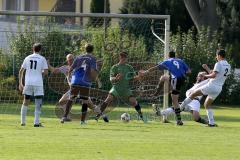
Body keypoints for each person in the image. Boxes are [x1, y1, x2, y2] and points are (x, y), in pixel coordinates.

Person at [180, 49, 231, 127]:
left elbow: (213, 75)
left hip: (212, 85)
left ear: (219, 56)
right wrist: (208, 70)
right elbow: (217, 74)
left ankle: (180, 107)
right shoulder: (228, 65)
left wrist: (205, 76)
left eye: (216, 55)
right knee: (207, 104)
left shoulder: (218, 63)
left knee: (193, 94)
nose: (216, 57)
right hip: (219, 88)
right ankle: (211, 123)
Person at [48, 53, 105, 122]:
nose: (71, 61)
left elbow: (91, 72)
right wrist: (48, 64)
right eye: (69, 60)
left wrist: (98, 80)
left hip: (81, 88)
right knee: (61, 101)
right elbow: (54, 70)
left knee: (90, 105)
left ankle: (102, 115)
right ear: (67, 61)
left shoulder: (80, 66)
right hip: (73, 89)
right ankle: (67, 117)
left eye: (72, 59)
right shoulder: (65, 68)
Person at [142, 51, 191, 125]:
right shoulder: (180, 61)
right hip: (182, 79)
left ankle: (179, 120)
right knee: (163, 78)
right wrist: (182, 73)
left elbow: (156, 67)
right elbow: (189, 71)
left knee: (174, 100)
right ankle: (156, 94)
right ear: (175, 56)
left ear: (168, 56)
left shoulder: (167, 61)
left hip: (176, 79)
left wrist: (146, 72)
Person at [95, 51, 146, 122]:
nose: (125, 59)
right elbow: (111, 79)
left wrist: (140, 76)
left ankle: (142, 117)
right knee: (108, 99)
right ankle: (98, 116)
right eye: (123, 57)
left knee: (134, 101)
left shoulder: (129, 67)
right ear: (120, 57)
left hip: (126, 89)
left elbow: (134, 78)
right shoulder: (115, 67)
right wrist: (116, 78)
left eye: (126, 57)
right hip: (116, 88)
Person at [61, 43, 101, 124]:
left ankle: (64, 117)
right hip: (85, 81)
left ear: (85, 49)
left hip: (75, 80)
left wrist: (69, 78)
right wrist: (95, 79)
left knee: (71, 98)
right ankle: (82, 121)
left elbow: (71, 69)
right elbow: (93, 71)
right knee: (85, 101)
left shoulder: (78, 57)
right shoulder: (93, 58)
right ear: (92, 50)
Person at [18, 43, 48, 127]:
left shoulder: (27, 58)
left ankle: (23, 122)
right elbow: (45, 72)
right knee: (38, 102)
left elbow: (21, 71)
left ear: (33, 49)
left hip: (28, 83)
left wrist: (20, 83)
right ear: (40, 50)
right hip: (38, 83)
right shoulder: (42, 58)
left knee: (25, 101)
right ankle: (36, 123)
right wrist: (41, 71)